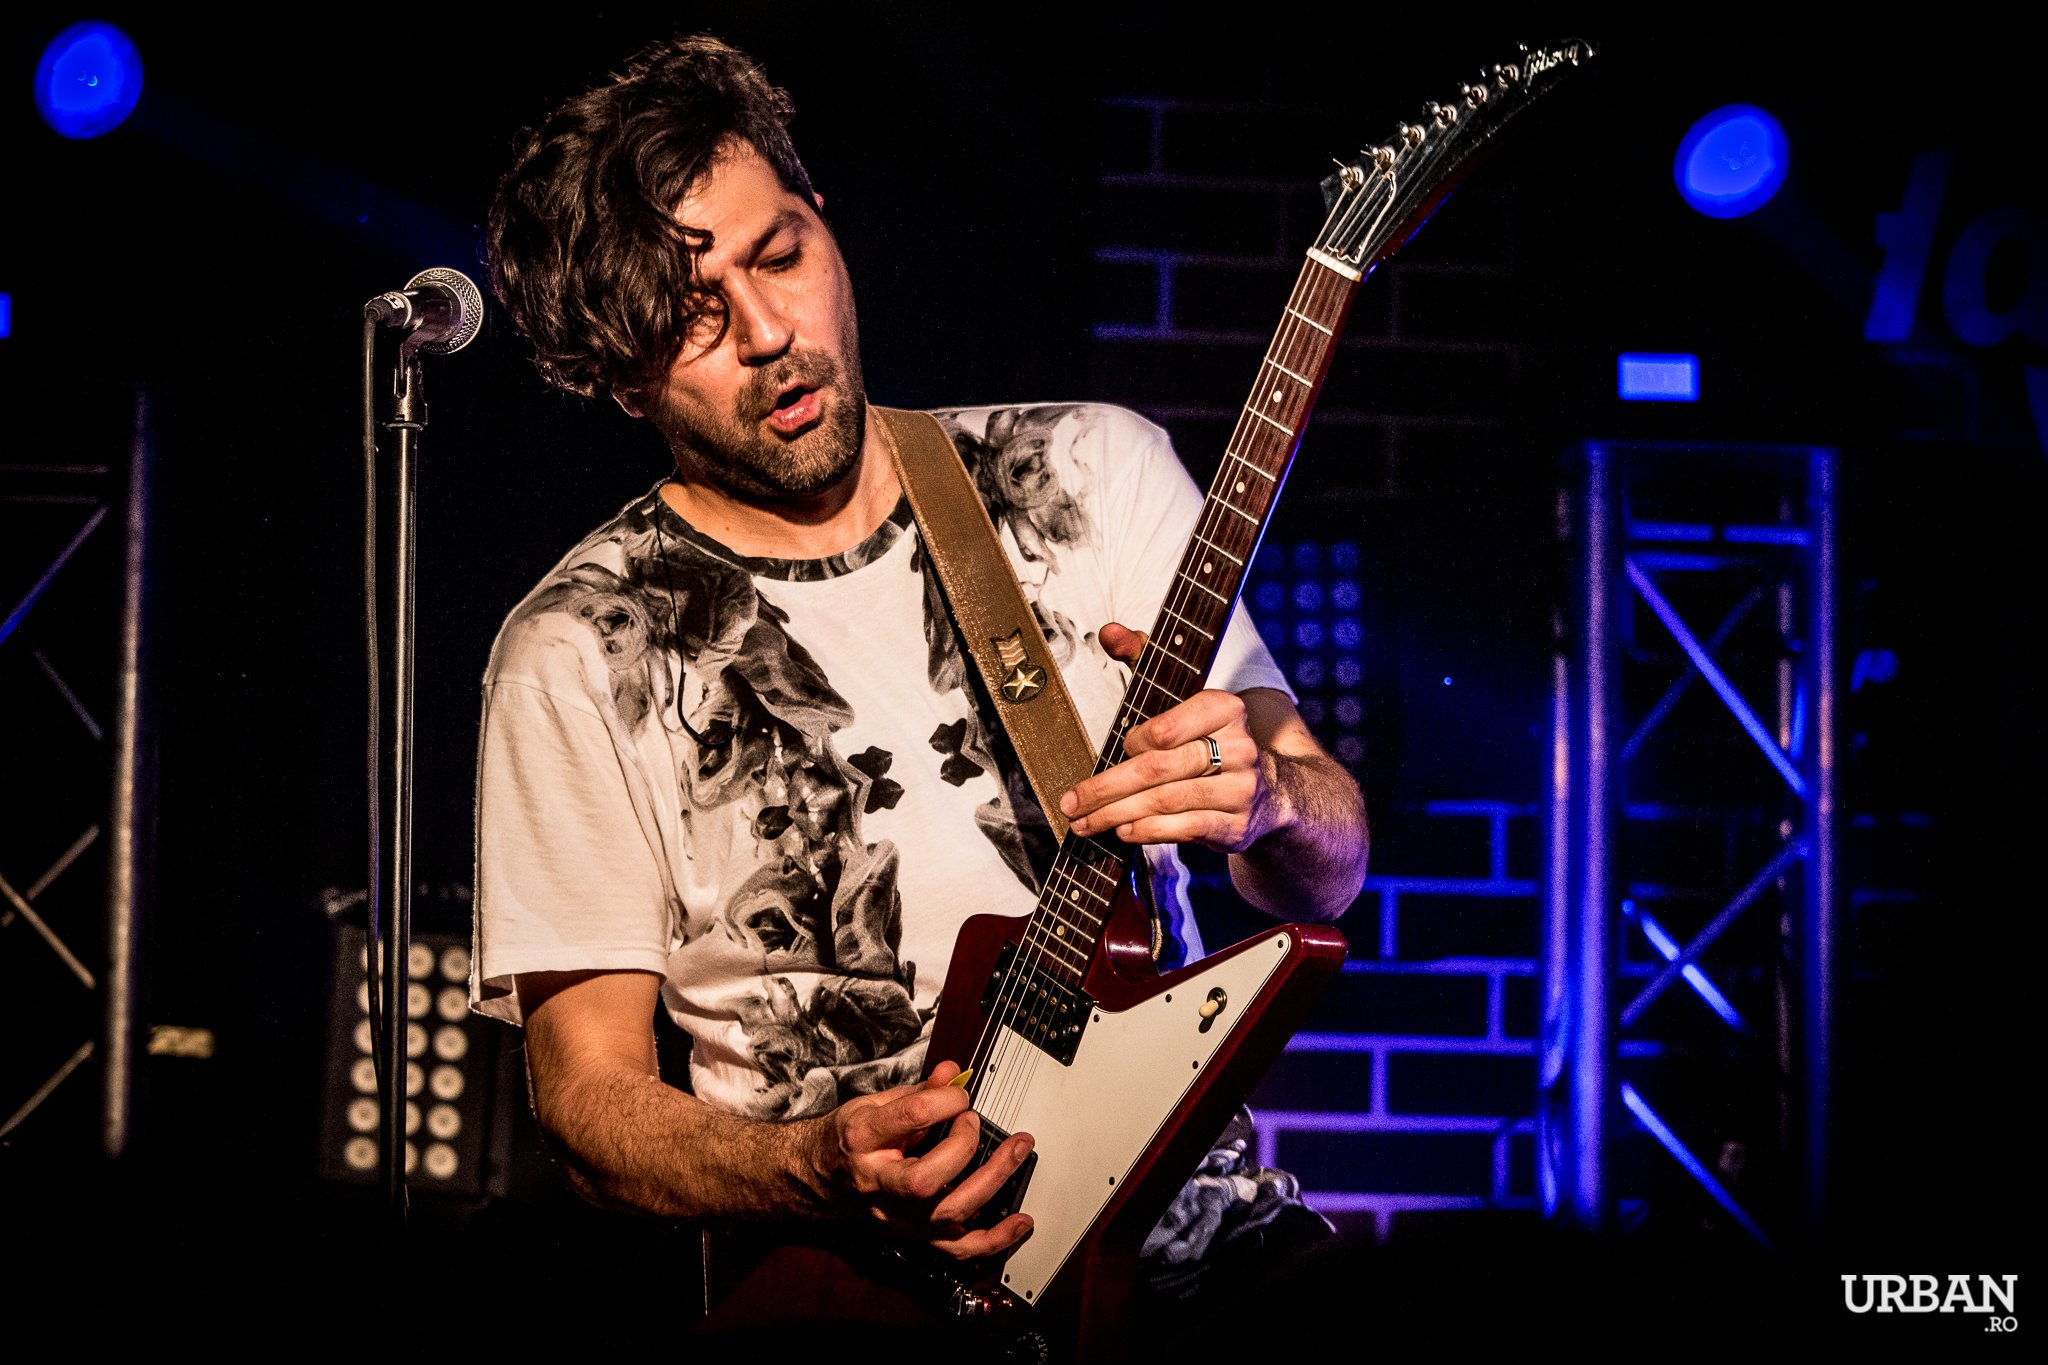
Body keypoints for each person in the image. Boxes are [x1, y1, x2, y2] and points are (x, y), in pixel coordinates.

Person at [468, 29, 1369, 1343]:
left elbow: (1327, 872)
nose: (770, 334)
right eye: (694, 316)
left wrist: (1274, 803)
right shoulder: (579, 647)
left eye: (781, 255)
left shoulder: (1089, 473)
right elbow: (587, 1103)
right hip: (857, 1303)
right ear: (615, 370)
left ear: (823, 218)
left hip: (1196, 1269)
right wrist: (808, 1164)